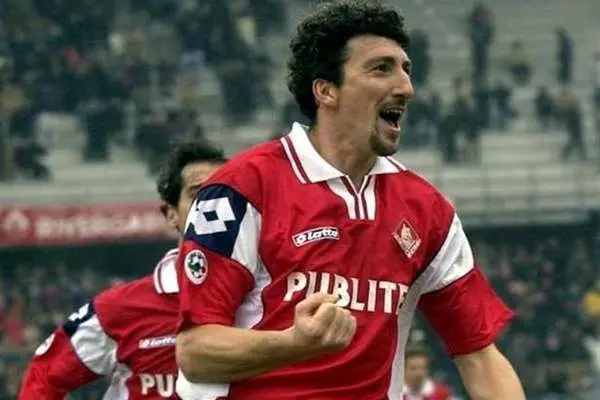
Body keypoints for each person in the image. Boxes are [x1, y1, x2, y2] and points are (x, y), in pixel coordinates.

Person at [175, 1, 525, 399]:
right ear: (326, 90)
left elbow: (479, 357)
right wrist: (293, 343)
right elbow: (196, 351)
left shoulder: (428, 211)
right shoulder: (241, 189)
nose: (406, 88)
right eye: (381, 69)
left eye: (406, 69)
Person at [18, 141, 227, 399]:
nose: (214, 204)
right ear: (171, 213)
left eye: (225, 193)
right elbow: (44, 374)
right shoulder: (120, 309)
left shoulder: (264, 301)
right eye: (197, 194)